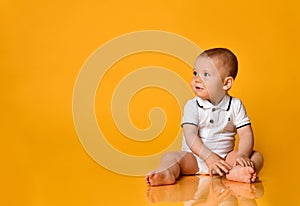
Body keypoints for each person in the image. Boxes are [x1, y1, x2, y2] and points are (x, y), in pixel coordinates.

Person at [145, 48, 264, 186]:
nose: (197, 79)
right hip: (194, 159)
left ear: (226, 83)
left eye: (206, 74)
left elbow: (245, 134)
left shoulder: (235, 105)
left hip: (224, 161)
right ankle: (166, 173)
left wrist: (242, 155)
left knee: (256, 156)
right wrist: (208, 157)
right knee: (171, 157)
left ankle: (238, 171)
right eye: (195, 73)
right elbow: (190, 136)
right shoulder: (192, 105)